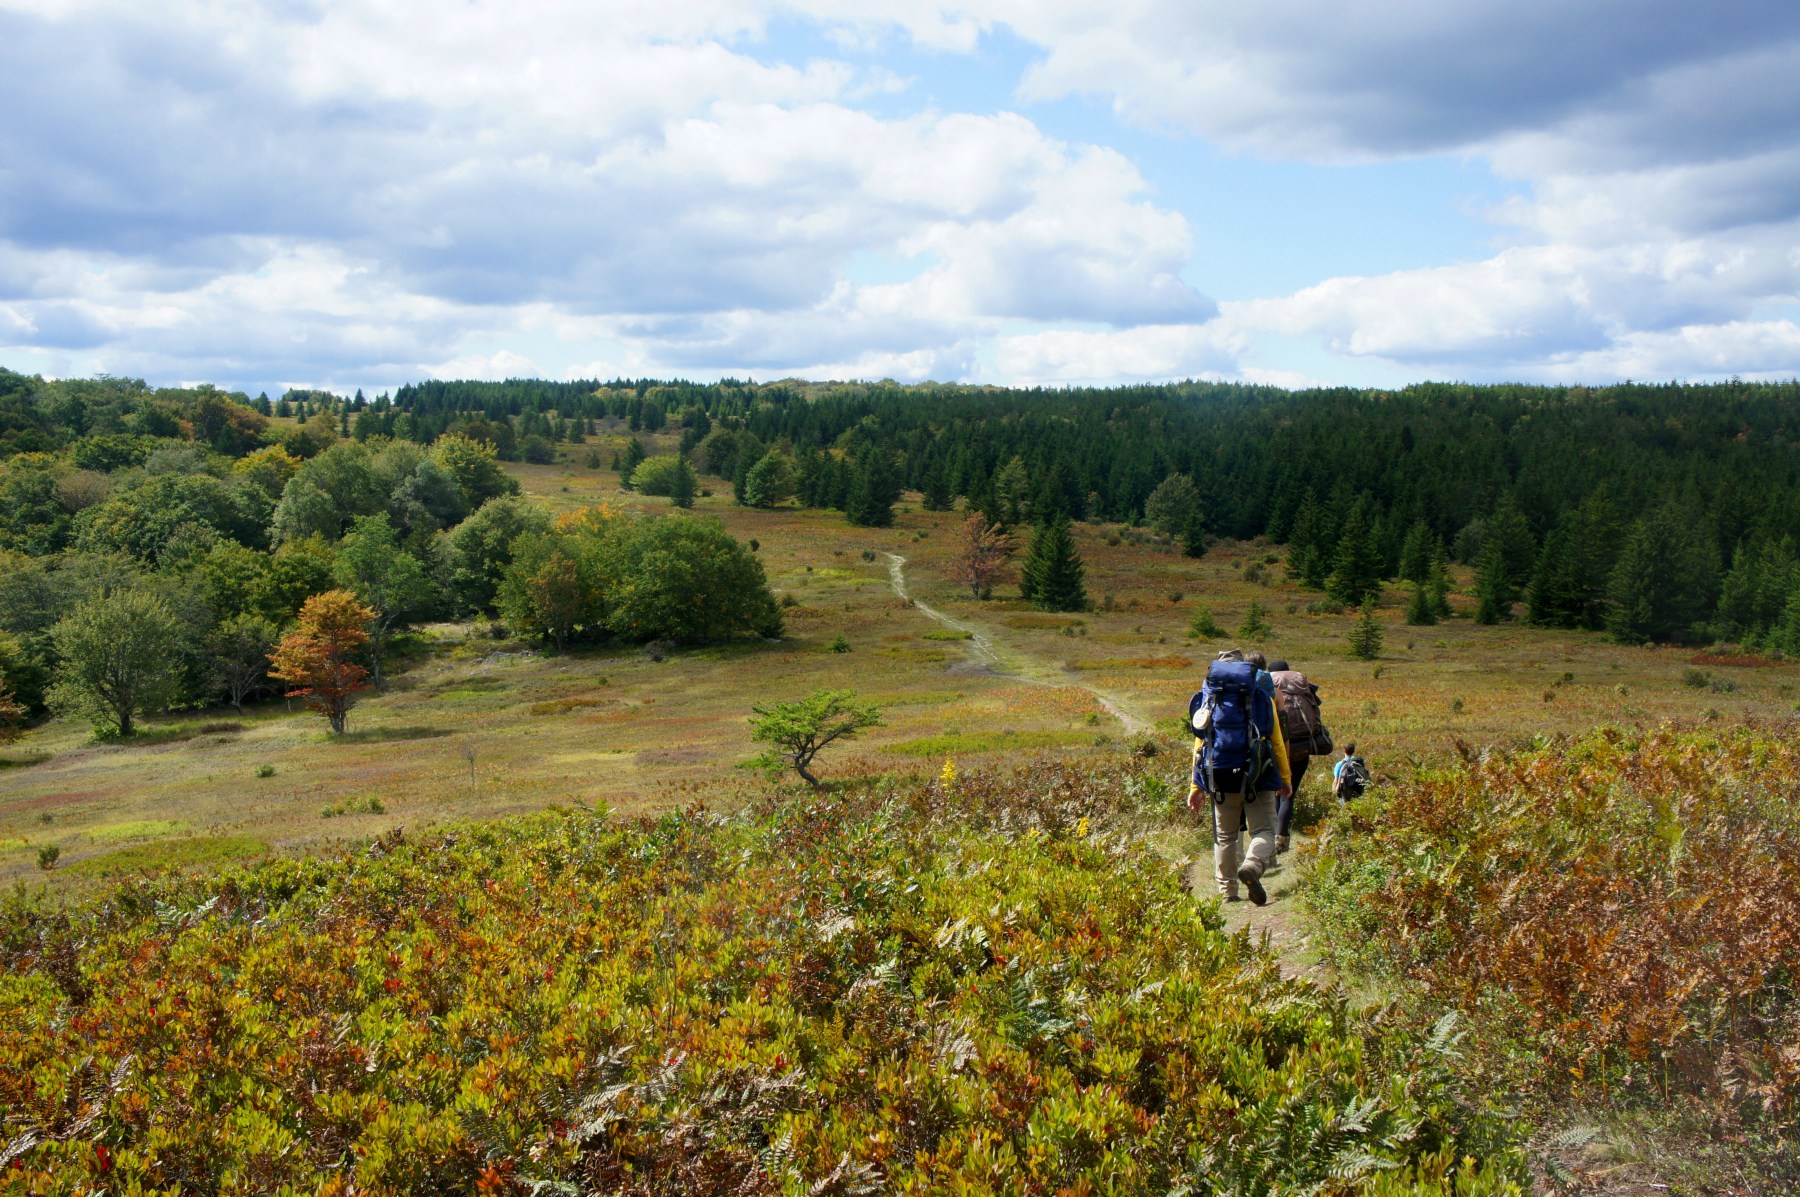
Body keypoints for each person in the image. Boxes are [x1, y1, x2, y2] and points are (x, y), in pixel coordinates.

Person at [1187, 649, 1292, 906]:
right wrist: (1285, 778)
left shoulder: (1208, 700)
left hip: (1220, 777)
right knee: (1265, 830)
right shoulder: (1260, 697)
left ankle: (1228, 892)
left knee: (1225, 837)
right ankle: (1252, 866)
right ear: (1245, 671)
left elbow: (1199, 746)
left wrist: (1195, 786)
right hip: (1256, 776)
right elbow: (1276, 742)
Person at [1266, 659, 1331, 854]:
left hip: (1278, 747)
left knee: (1274, 790)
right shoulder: (1302, 685)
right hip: (1301, 746)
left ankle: (1269, 836)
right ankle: (1282, 838)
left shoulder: (1268, 684)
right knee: (1289, 793)